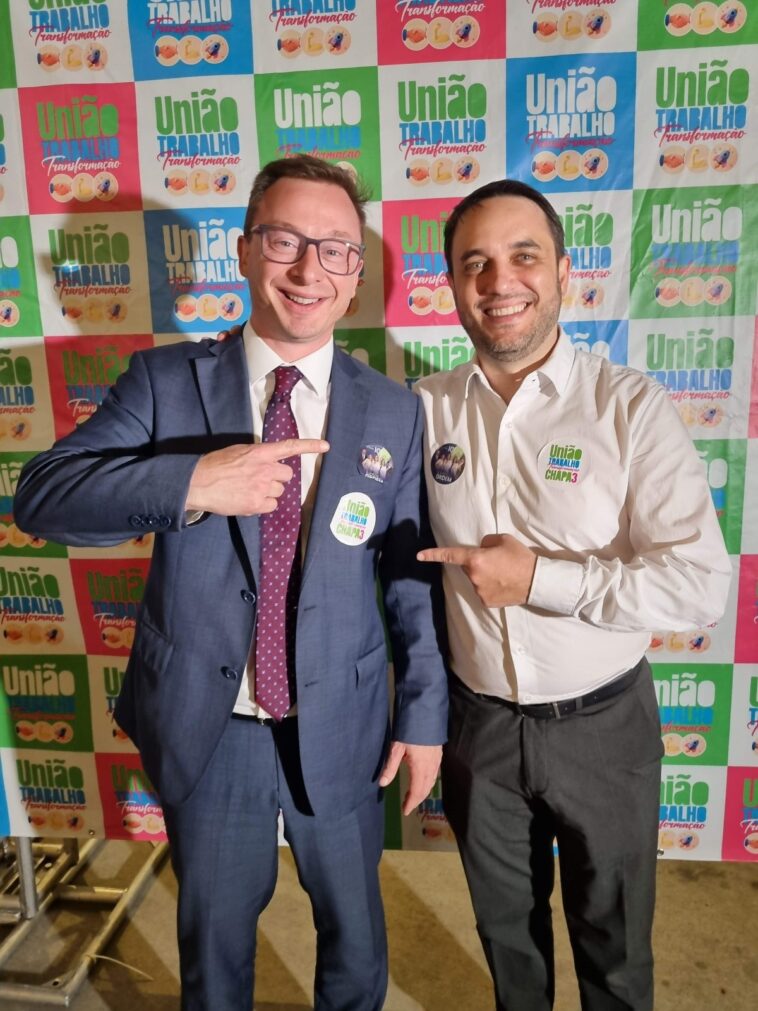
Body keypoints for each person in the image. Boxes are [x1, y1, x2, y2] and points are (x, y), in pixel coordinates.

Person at [13, 155, 449, 1011]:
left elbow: (408, 576)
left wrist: (425, 712)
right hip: (212, 731)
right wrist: (192, 483)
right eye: (284, 240)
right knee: (213, 959)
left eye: (334, 248)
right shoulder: (165, 382)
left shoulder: (394, 409)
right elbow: (43, 496)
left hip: (343, 722)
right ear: (246, 251)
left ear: (356, 271)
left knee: (357, 947)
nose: (308, 269)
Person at [415, 179, 731, 1011]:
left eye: (523, 256)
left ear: (563, 272)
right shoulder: (423, 410)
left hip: (603, 729)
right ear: (451, 284)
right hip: (478, 730)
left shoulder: (629, 407)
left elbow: (701, 583)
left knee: (615, 950)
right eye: (475, 263)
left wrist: (540, 581)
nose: (499, 281)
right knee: (507, 944)